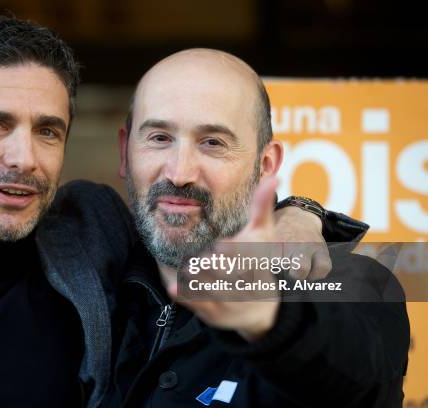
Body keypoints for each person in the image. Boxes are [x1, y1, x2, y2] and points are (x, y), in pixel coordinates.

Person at [0, 17, 368, 408]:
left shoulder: (91, 229)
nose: (23, 158)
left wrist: (299, 214)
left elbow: (195, 211)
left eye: (47, 131)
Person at [109, 49, 409, 407]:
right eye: (159, 138)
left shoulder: (353, 281)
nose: (179, 172)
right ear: (125, 151)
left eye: (212, 143)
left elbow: (360, 379)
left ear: (266, 165)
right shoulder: (95, 271)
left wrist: (274, 319)